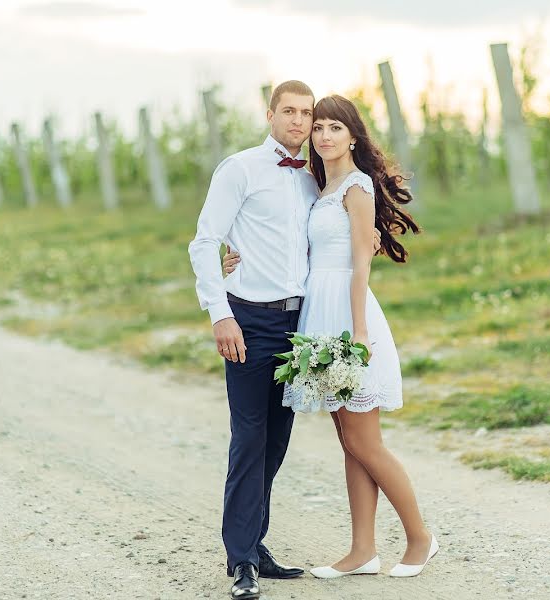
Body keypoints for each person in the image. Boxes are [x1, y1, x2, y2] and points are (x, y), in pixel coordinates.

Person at [222, 94, 437, 581]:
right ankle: (363, 549)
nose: (321, 134)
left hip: (346, 313)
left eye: (333, 128)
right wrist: (234, 258)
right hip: (316, 314)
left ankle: (421, 537)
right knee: (349, 440)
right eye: (317, 127)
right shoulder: (319, 186)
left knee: (366, 440)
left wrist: (357, 331)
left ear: (353, 136)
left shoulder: (356, 187)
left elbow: (361, 261)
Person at [188, 81, 380, 600]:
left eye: (308, 114)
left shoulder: (315, 180)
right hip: (248, 320)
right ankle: (242, 559)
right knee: (249, 437)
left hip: (300, 327)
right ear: (270, 114)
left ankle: (255, 542)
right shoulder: (241, 168)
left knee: (277, 439)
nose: (300, 122)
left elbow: (339, 241)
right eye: (290, 112)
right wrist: (220, 313)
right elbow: (205, 240)